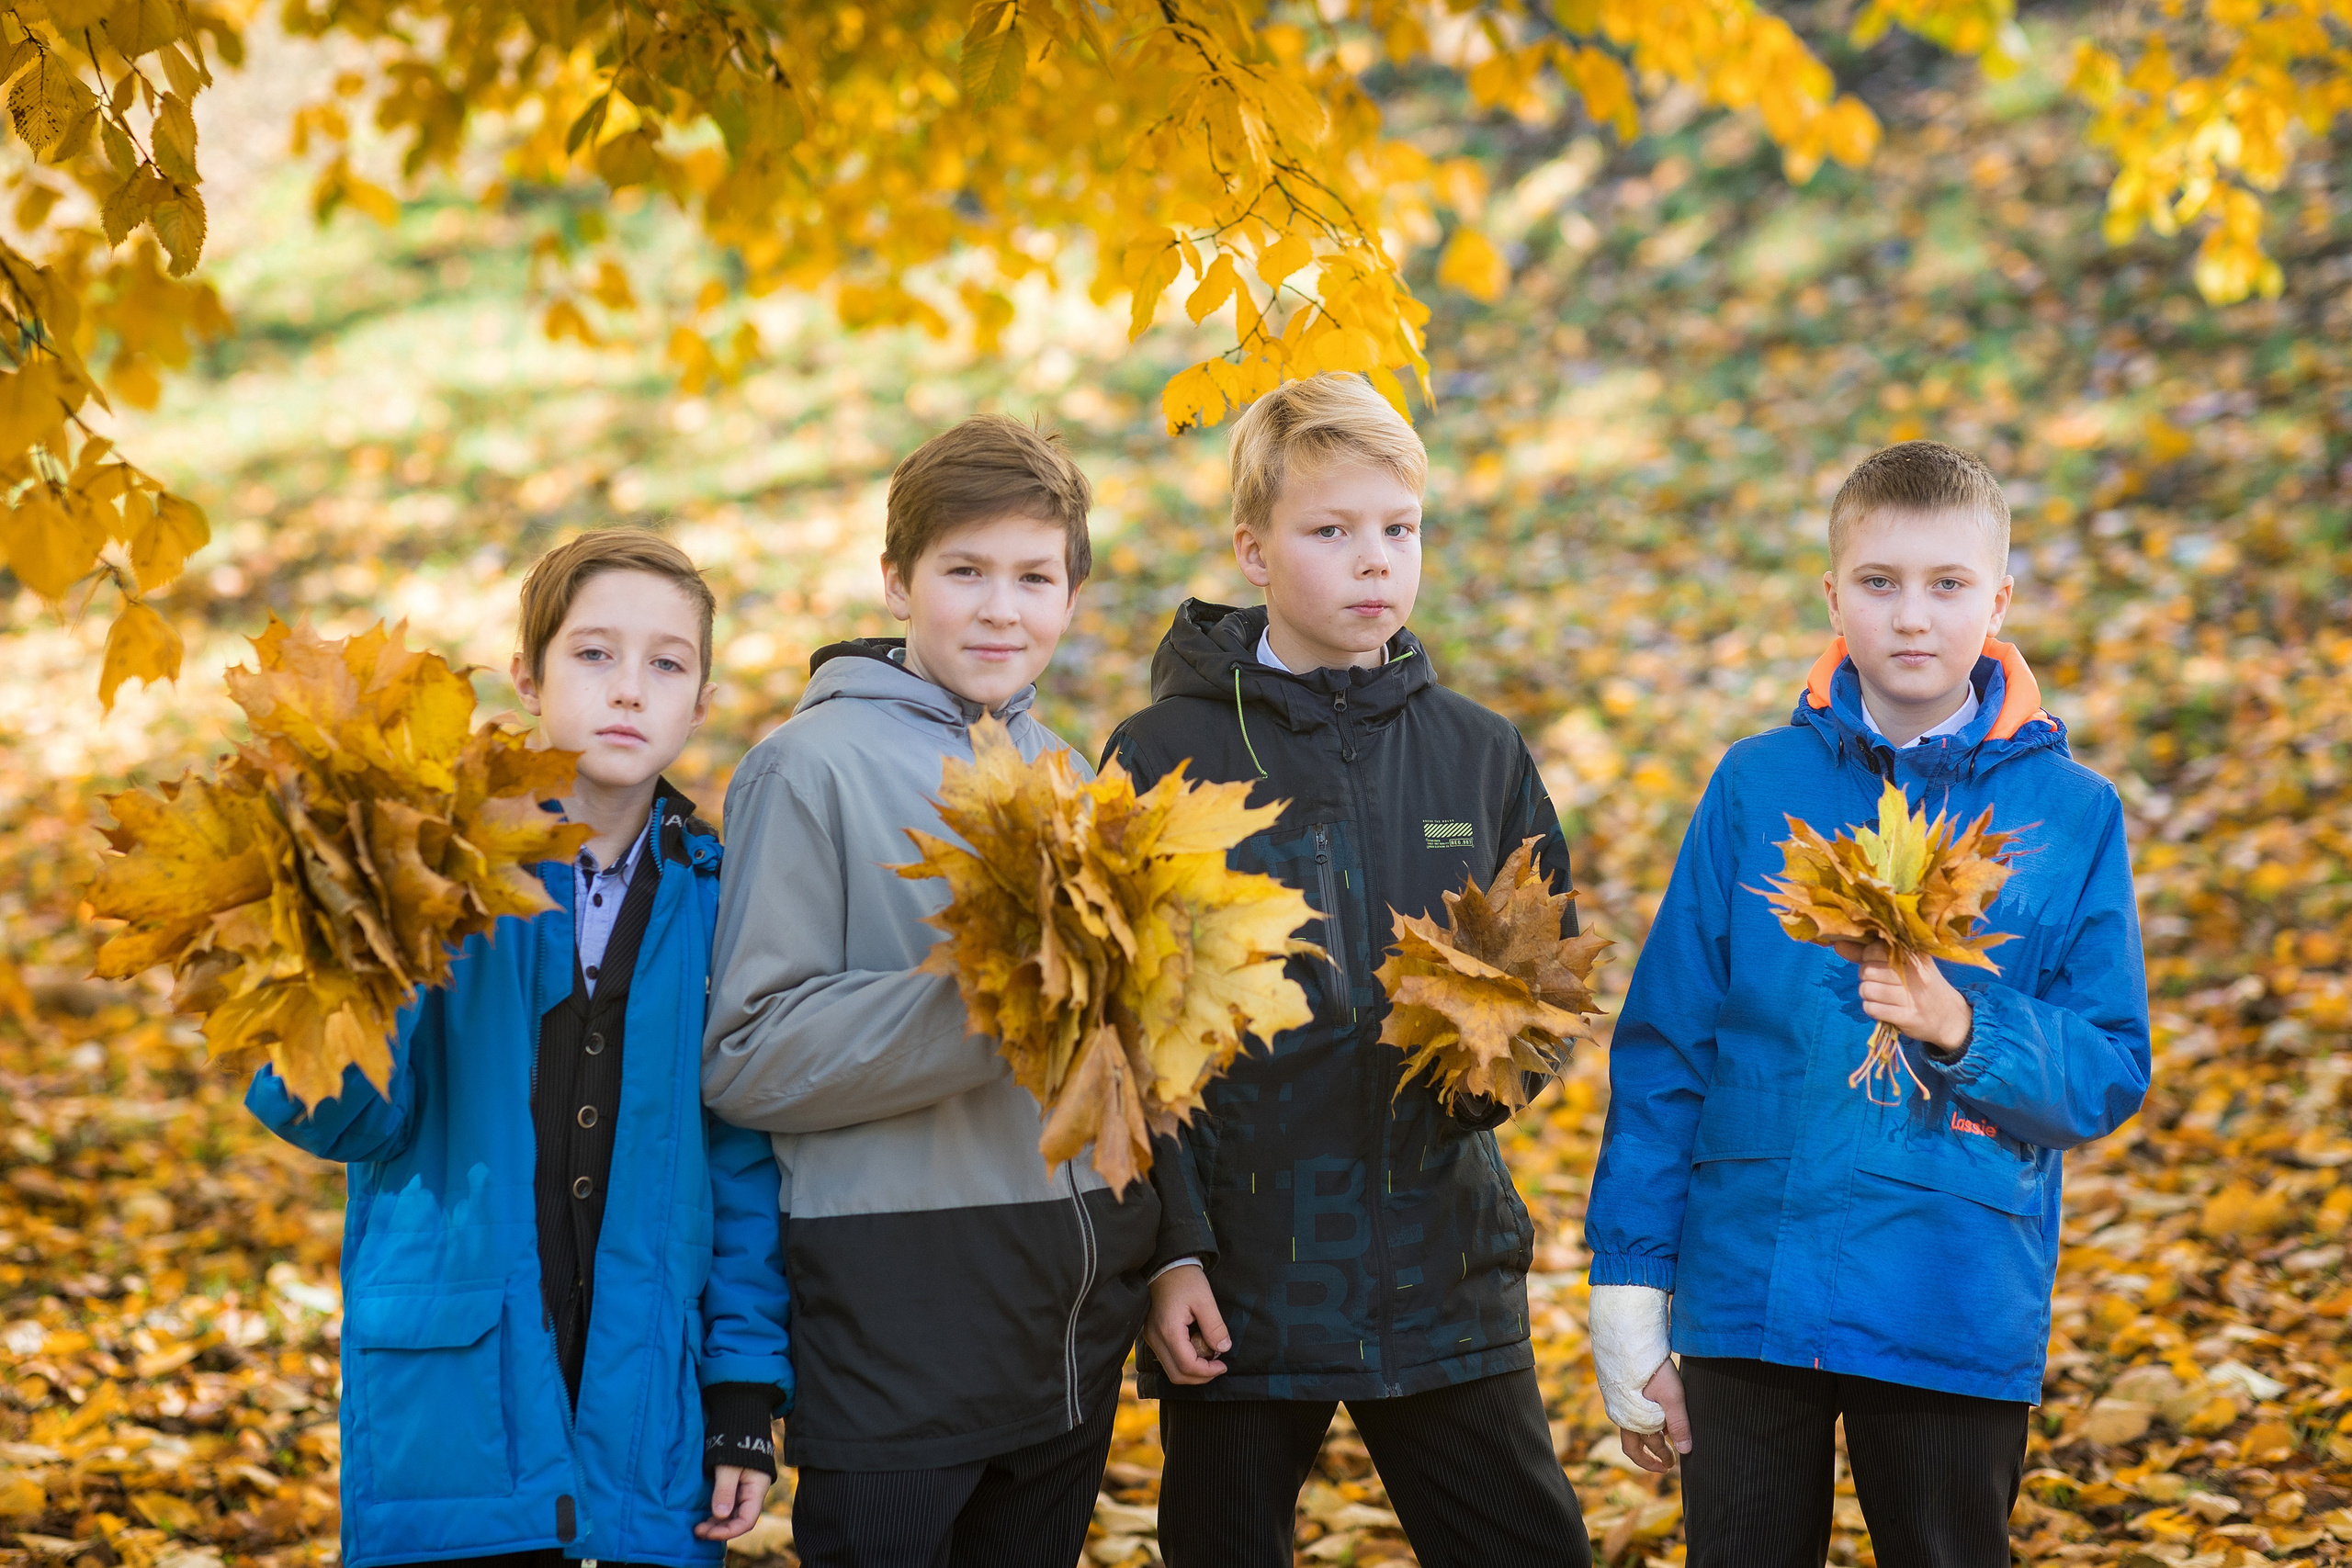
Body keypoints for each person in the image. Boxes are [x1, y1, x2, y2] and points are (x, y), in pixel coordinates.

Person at [1584, 440, 2152, 1568]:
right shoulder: (1758, 784)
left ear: (1997, 600)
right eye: (1879, 583)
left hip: (1947, 1288)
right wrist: (1630, 1285)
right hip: (1748, 1281)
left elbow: (2106, 1066)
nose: (1911, 618)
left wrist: (1963, 1027)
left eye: (1947, 587)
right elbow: (1666, 1047)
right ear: (1832, 595)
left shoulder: (2070, 813)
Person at [1101, 372, 1592, 1568]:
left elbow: (1547, 977)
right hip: (1240, 1278)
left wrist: (1495, 1071)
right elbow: (1117, 1035)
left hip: (1443, 1263)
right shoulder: (1160, 753)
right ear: (1254, 549)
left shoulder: (1476, 751)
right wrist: (1168, 1250)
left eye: (1399, 527)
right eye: (1331, 531)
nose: (1375, 559)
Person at [246, 529, 792, 1568]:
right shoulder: (435, 878)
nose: (629, 688)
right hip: (450, 1408)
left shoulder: (721, 902)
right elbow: (339, 1116)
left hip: (648, 1417)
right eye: (593, 654)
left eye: (666, 663)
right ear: (526, 680)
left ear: (702, 703)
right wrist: (355, 951)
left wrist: (740, 1397)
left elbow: (743, 1168)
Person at [701, 415, 1161, 1568]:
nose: (1000, 608)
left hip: (1064, 1324)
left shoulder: (1066, 771)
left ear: (1072, 593)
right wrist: (994, 1000)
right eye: (964, 572)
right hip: (898, 1317)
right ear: (898, 583)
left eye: (1033, 577)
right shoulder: (807, 769)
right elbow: (747, 1055)